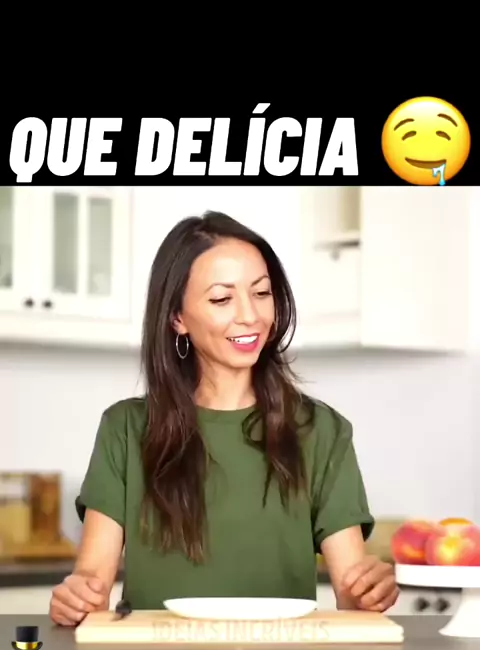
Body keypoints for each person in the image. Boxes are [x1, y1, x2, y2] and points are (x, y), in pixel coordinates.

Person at [49, 210, 398, 626]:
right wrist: (76, 597)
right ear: (177, 317)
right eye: (221, 299)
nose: (250, 315)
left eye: (262, 293)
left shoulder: (321, 431)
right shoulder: (125, 429)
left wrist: (368, 591)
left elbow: (351, 586)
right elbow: (92, 579)